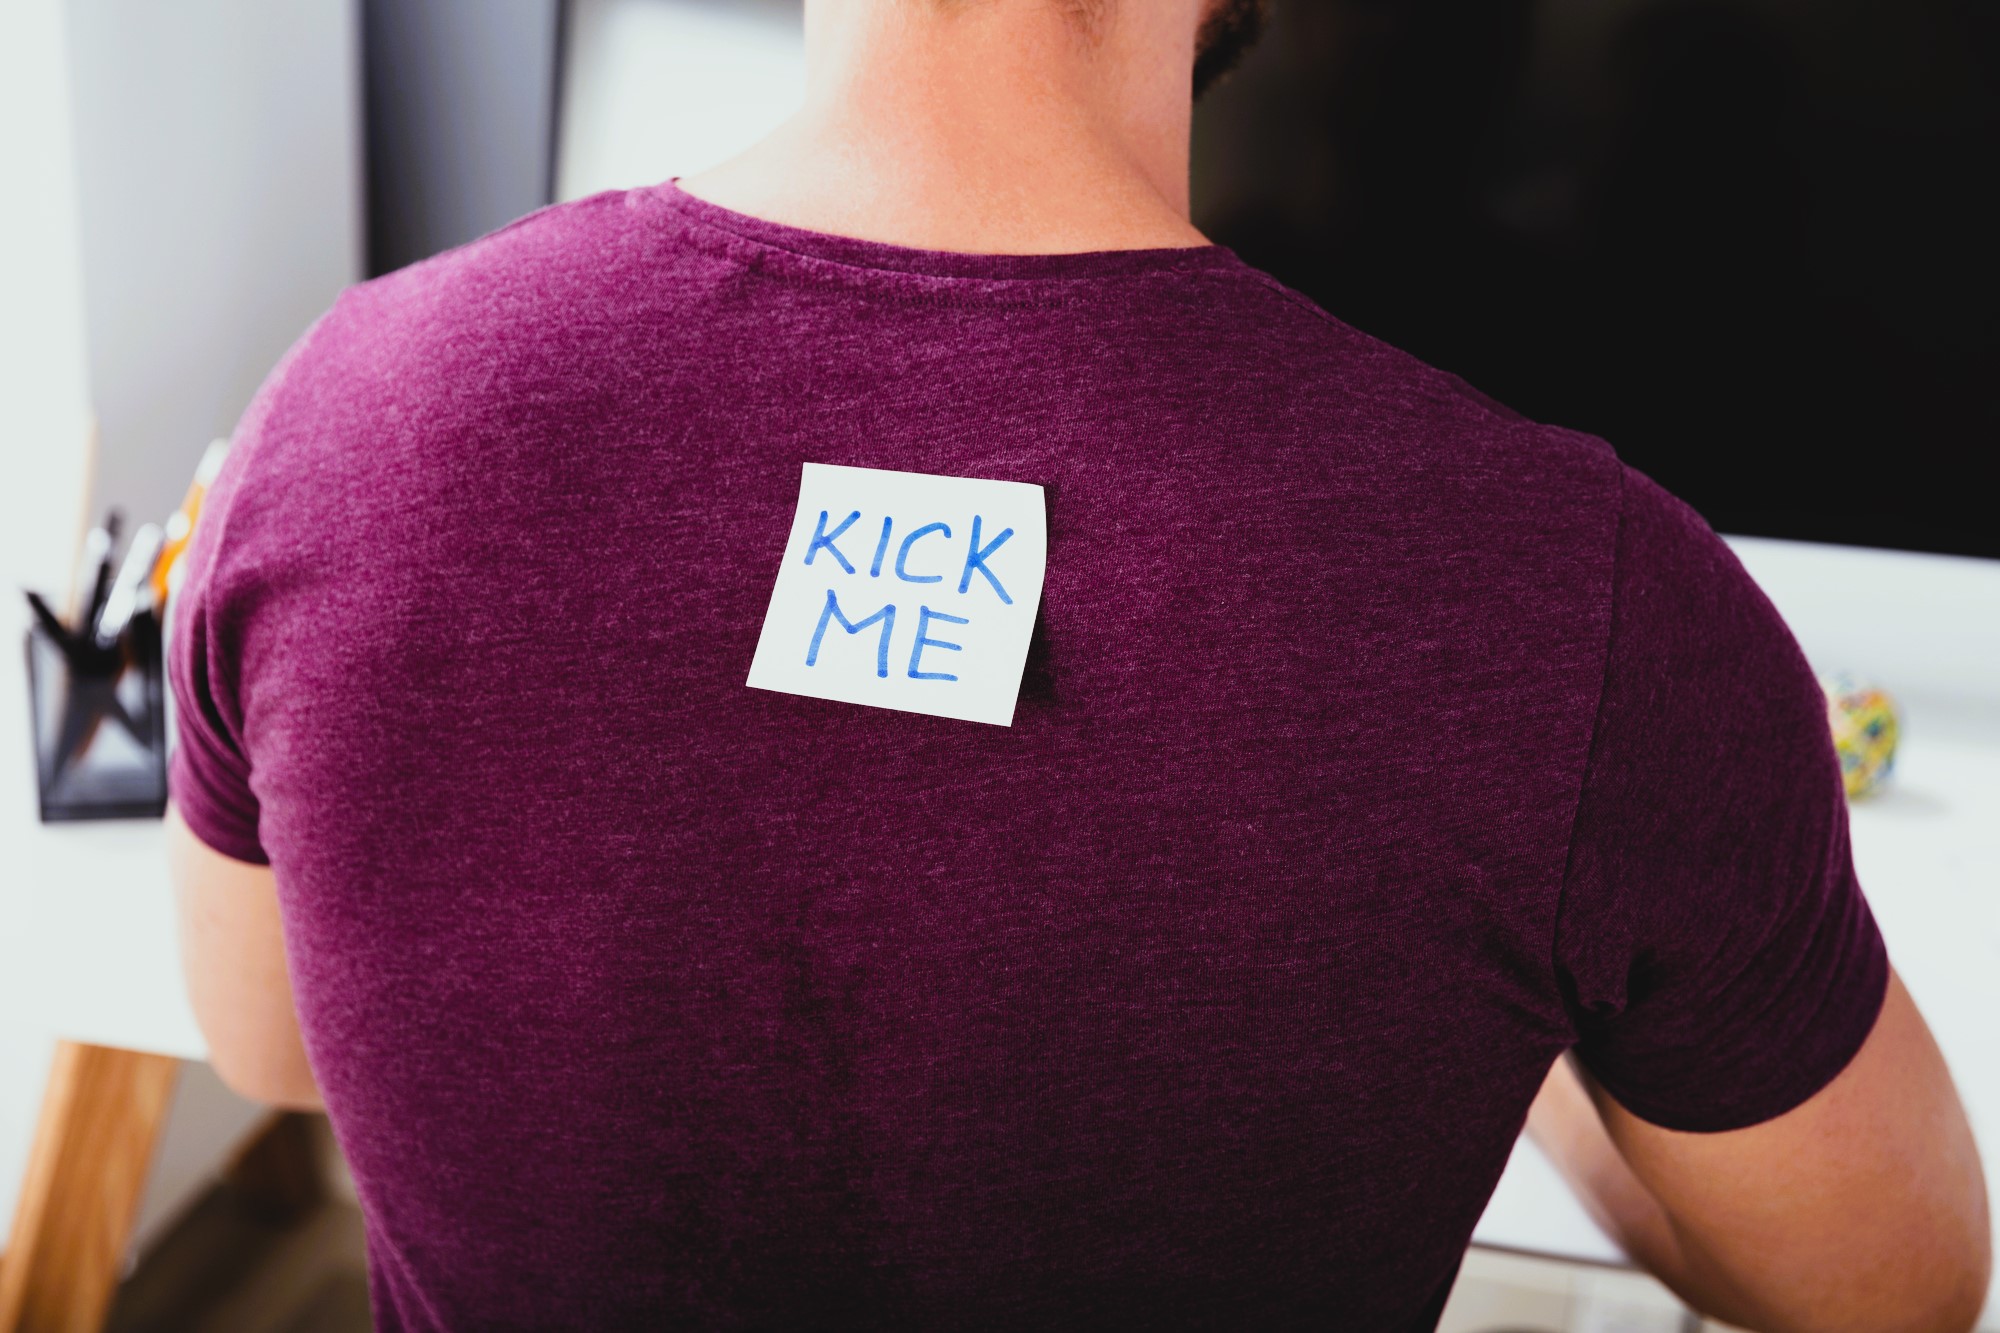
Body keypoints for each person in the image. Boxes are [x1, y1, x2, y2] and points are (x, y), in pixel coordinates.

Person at [164, 0, 1990, 1328]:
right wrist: (1521, 1022)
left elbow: (270, 1041)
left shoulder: (336, 420)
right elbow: (1889, 1282)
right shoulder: (1591, 617)